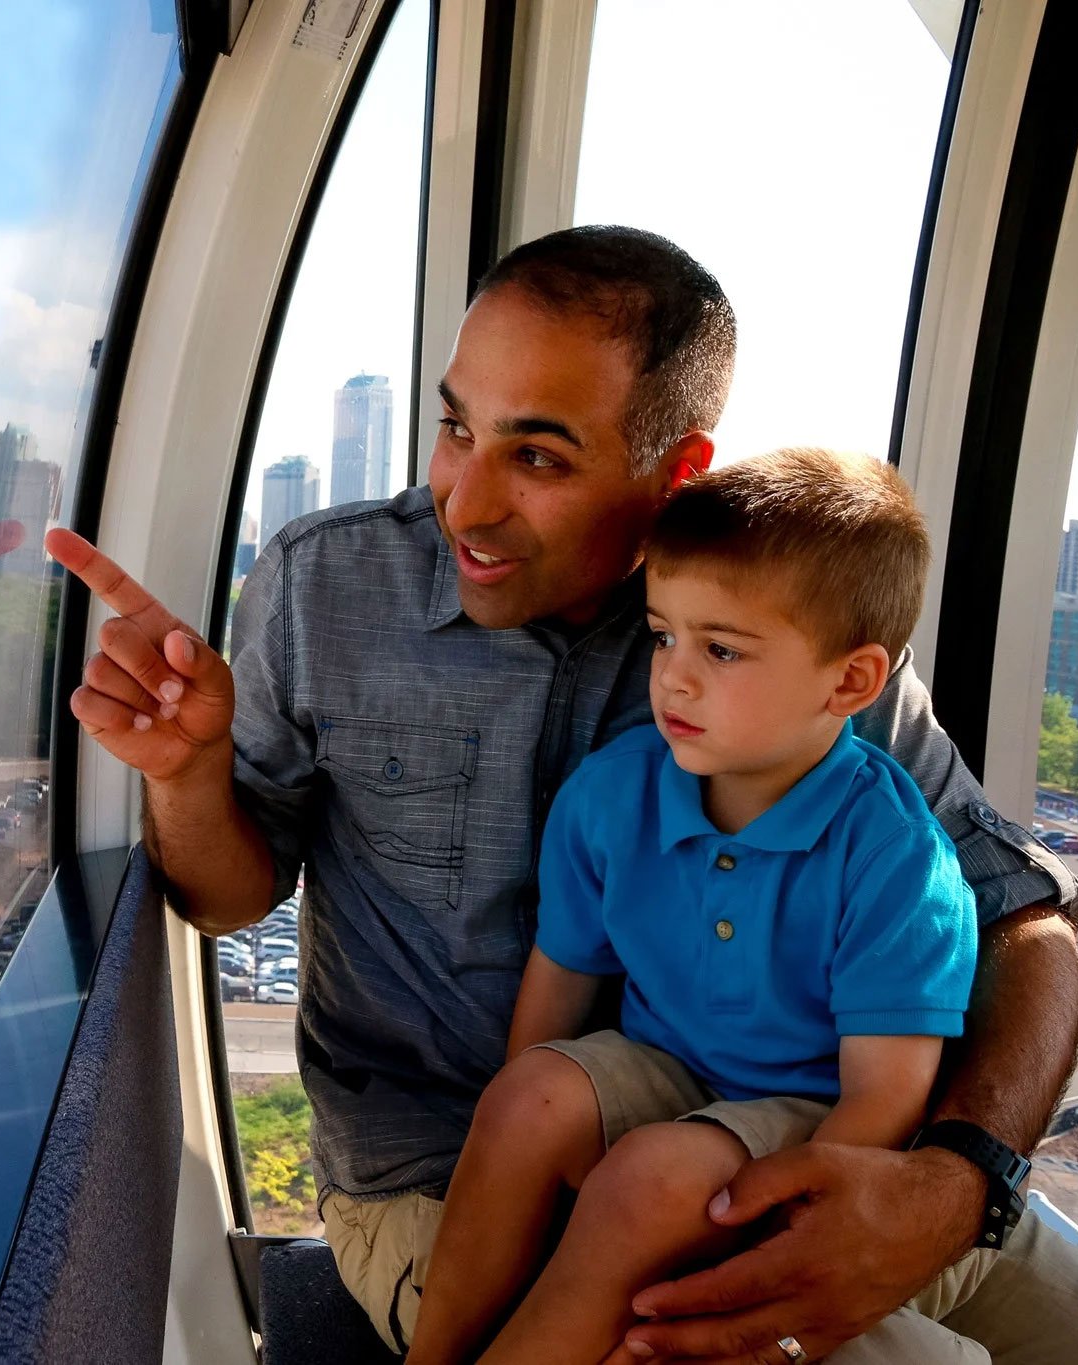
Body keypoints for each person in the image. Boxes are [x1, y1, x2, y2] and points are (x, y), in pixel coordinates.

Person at [48, 225, 1078, 1363]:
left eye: (536, 457)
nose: (464, 505)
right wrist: (186, 775)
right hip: (448, 1182)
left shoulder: (782, 617)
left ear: (674, 471)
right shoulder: (322, 585)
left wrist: (953, 1175)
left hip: (810, 1149)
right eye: (453, 428)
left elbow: (1021, 916)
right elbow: (231, 897)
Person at [405, 449, 981, 1365]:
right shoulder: (612, 796)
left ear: (851, 682)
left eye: (721, 649)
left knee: (653, 1177)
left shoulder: (896, 858)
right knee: (525, 1097)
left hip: (805, 1107)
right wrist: (538, 1135)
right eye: (663, 634)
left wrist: (775, 1234)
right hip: (667, 1069)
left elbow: (883, 1099)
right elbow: (558, 988)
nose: (672, 676)